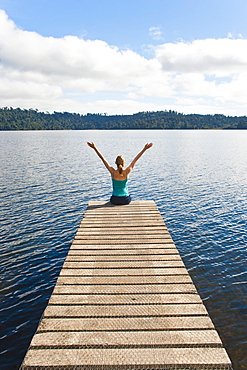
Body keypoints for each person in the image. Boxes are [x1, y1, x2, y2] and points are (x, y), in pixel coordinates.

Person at [87, 142, 153, 205]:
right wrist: (145, 149)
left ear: (115, 163)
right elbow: (136, 159)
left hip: (115, 200)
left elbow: (102, 159)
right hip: (125, 200)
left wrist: (94, 148)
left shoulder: (112, 172)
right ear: (124, 163)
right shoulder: (127, 172)